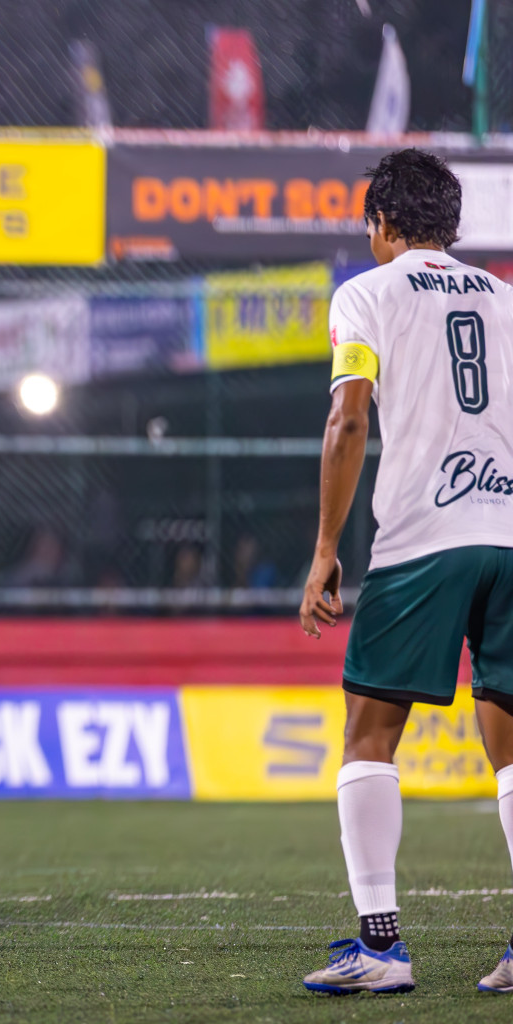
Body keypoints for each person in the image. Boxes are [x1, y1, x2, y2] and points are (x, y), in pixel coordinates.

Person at [299, 149, 513, 995]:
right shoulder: (507, 300)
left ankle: (381, 947)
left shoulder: (366, 293)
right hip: (510, 533)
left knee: (370, 733)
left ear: (379, 225)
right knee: (509, 743)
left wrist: (324, 547)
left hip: (426, 537)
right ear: (453, 229)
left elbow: (349, 420)